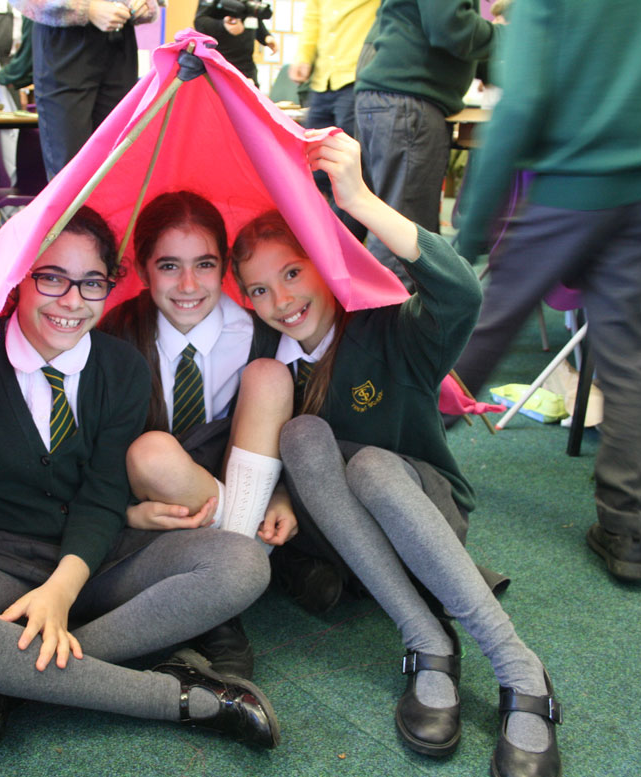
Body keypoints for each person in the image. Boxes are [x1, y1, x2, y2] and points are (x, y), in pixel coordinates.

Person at [0, 207, 279, 751]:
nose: (73, 300)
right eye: (52, 277)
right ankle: (182, 699)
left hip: (101, 553)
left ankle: (15, 678)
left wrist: (61, 589)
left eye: (92, 282)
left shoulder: (121, 366)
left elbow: (104, 494)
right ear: (17, 280)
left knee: (240, 564)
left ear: (110, 285)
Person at [230, 130, 562, 776]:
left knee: (376, 464)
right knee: (299, 435)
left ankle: (517, 663)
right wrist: (276, 491)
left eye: (292, 272)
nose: (281, 301)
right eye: (259, 290)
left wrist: (358, 199)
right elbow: (265, 445)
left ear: (324, 261)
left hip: (423, 509)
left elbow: (461, 293)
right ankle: (426, 638)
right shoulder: (267, 360)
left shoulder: (386, 331)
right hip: (343, 543)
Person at [449, 0, 641, 584]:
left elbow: (523, 101)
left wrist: (471, 232)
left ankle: (399, 468)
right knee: (630, 364)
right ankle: (626, 532)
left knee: (481, 331)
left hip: (569, 183)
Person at [98, 191, 295, 679]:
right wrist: (130, 510)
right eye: (169, 266)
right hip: (157, 503)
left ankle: (224, 587)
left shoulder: (259, 332)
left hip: (242, 483)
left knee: (271, 376)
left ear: (225, 267)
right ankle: (239, 584)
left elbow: (295, 427)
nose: (188, 285)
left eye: (203, 264)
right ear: (142, 270)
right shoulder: (114, 336)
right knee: (152, 453)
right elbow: (93, 450)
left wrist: (286, 493)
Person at [353, 0, 499, 287]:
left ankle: (396, 325)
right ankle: (389, 328)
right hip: (407, 103)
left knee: (400, 232)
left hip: (392, 100)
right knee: (403, 243)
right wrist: (511, 36)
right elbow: (451, 28)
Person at [11, 0, 159, 179]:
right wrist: (87, 9)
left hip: (119, 39)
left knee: (116, 168)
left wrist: (143, 4)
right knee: (70, 173)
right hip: (64, 40)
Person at [287, 0, 379, 240]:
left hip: (356, 78)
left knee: (346, 169)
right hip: (322, 79)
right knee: (311, 166)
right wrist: (304, 57)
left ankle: (341, 243)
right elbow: (313, 19)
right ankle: (316, 238)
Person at [192, 5, 277, 87]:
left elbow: (254, 17)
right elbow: (200, 22)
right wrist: (222, 26)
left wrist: (266, 36)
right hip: (220, 66)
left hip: (247, 68)